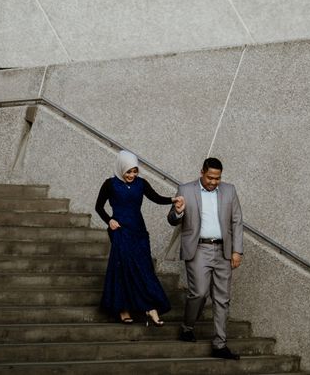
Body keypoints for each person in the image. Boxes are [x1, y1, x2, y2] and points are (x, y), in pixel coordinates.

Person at [95, 149, 183, 325]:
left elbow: (156, 198)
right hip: (120, 231)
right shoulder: (110, 184)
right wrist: (109, 220)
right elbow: (99, 207)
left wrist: (173, 200)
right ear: (121, 169)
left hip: (139, 231)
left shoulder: (141, 183)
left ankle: (150, 307)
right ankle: (124, 309)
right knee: (124, 268)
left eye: (135, 171)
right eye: (128, 171)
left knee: (144, 268)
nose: (132, 175)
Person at [168, 156, 243, 360]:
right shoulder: (185, 190)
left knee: (222, 298)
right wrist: (178, 211)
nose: (213, 182)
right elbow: (172, 219)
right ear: (202, 172)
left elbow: (237, 221)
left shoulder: (230, 191)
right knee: (199, 293)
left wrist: (237, 251)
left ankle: (220, 344)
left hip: (223, 251)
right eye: (210, 177)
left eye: (217, 178)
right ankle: (187, 327)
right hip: (198, 248)